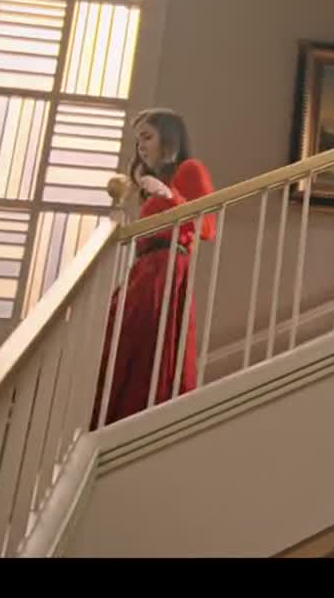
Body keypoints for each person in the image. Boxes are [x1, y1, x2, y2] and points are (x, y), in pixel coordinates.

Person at [91, 108, 216, 429]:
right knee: (125, 344)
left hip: (166, 267)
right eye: (138, 141)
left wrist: (169, 195)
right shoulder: (154, 183)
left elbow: (207, 227)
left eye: (147, 137)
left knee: (147, 346)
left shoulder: (189, 169)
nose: (141, 146)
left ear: (168, 138)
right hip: (146, 270)